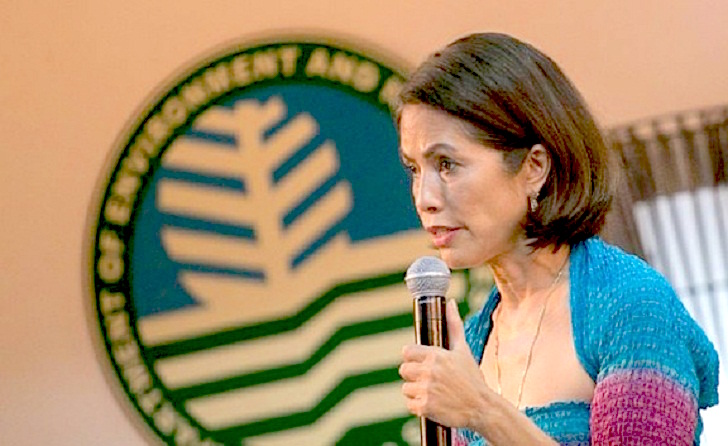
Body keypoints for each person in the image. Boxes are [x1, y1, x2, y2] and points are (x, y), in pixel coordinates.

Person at [396, 33, 719, 445]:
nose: (424, 198)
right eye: (415, 170)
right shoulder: (474, 340)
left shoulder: (630, 305)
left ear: (534, 167)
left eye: (447, 164)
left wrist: (484, 411)